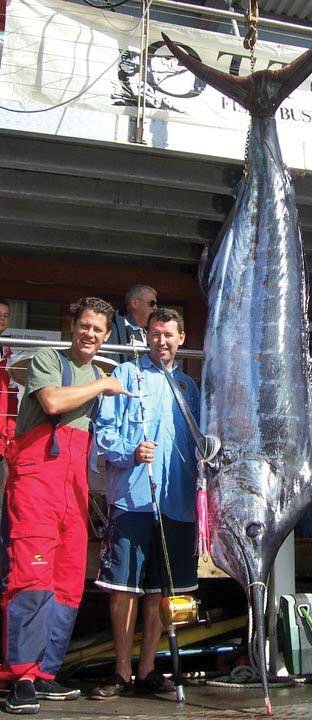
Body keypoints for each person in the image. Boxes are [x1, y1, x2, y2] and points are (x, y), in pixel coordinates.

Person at [0, 297, 127, 714]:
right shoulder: (48, 360)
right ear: (74, 326)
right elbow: (52, 402)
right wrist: (103, 385)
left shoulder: (99, 372)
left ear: (108, 336)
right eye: (85, 326)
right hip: (36, 485)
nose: (89, 334)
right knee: (29, 577)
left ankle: (46, 672)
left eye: (98, 330)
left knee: (68, 582)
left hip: (74, 490)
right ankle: (20, 675)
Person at [90, 308, 200, 699]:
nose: (162, 341)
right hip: (133, 500)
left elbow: (202, 445)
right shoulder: (124, 375)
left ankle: (149, 668)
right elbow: (102, 435)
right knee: (123, 588)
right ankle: (122, 671)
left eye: (169, 335)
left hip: (177, 503)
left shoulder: (189, 387)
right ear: (146, 336)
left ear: (181, 338)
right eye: (155, 334)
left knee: (160, 590)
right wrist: (130, 451)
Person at [108, 285, 158, 363]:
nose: (155, 308)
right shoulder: (112, 328)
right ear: (135, 303)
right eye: (152, 303)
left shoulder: (151, 333)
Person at [0, 300, 17, 511]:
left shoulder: (8, 353)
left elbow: (11, 396)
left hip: (3, 438)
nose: (2, 319)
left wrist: (10, 433)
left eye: (5, 316)